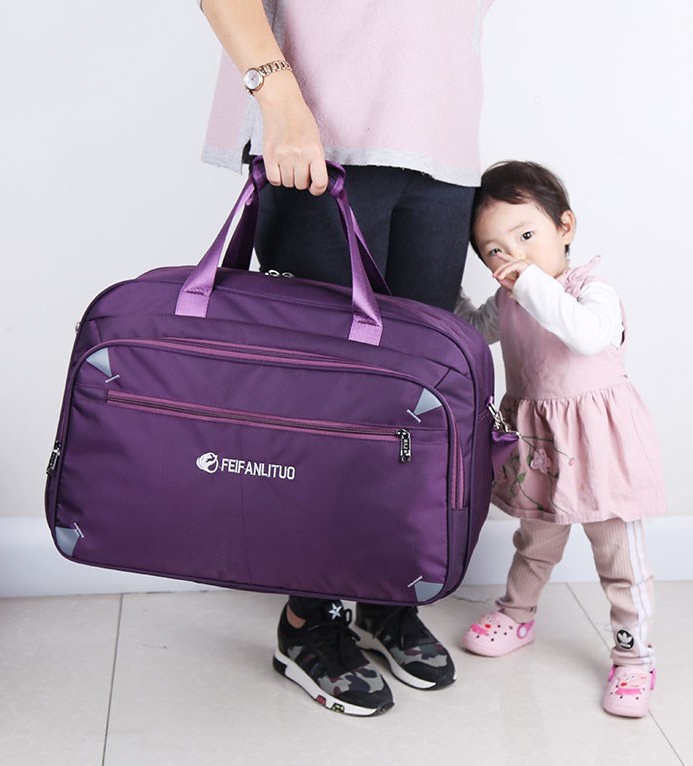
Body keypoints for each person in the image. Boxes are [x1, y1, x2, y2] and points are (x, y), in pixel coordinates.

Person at [200, 0, 495, 715]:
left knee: (417, 404)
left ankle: (383, 589)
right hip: (318, 136)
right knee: (325, 410)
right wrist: (279, 100)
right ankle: (309, 618)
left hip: (442, 145)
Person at [455, 160, 666, 718]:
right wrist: (443, 280)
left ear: (564, 227)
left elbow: (586, 335)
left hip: (600, 448)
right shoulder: (509, 299)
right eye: (495, 250)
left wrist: (529, 284)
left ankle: (634, 658)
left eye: (526, 237)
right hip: (544, 448)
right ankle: (517, 613)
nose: (514, 257)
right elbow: (472, 331)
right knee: (535, 540)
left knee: (619, 559)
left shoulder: (591, 291)